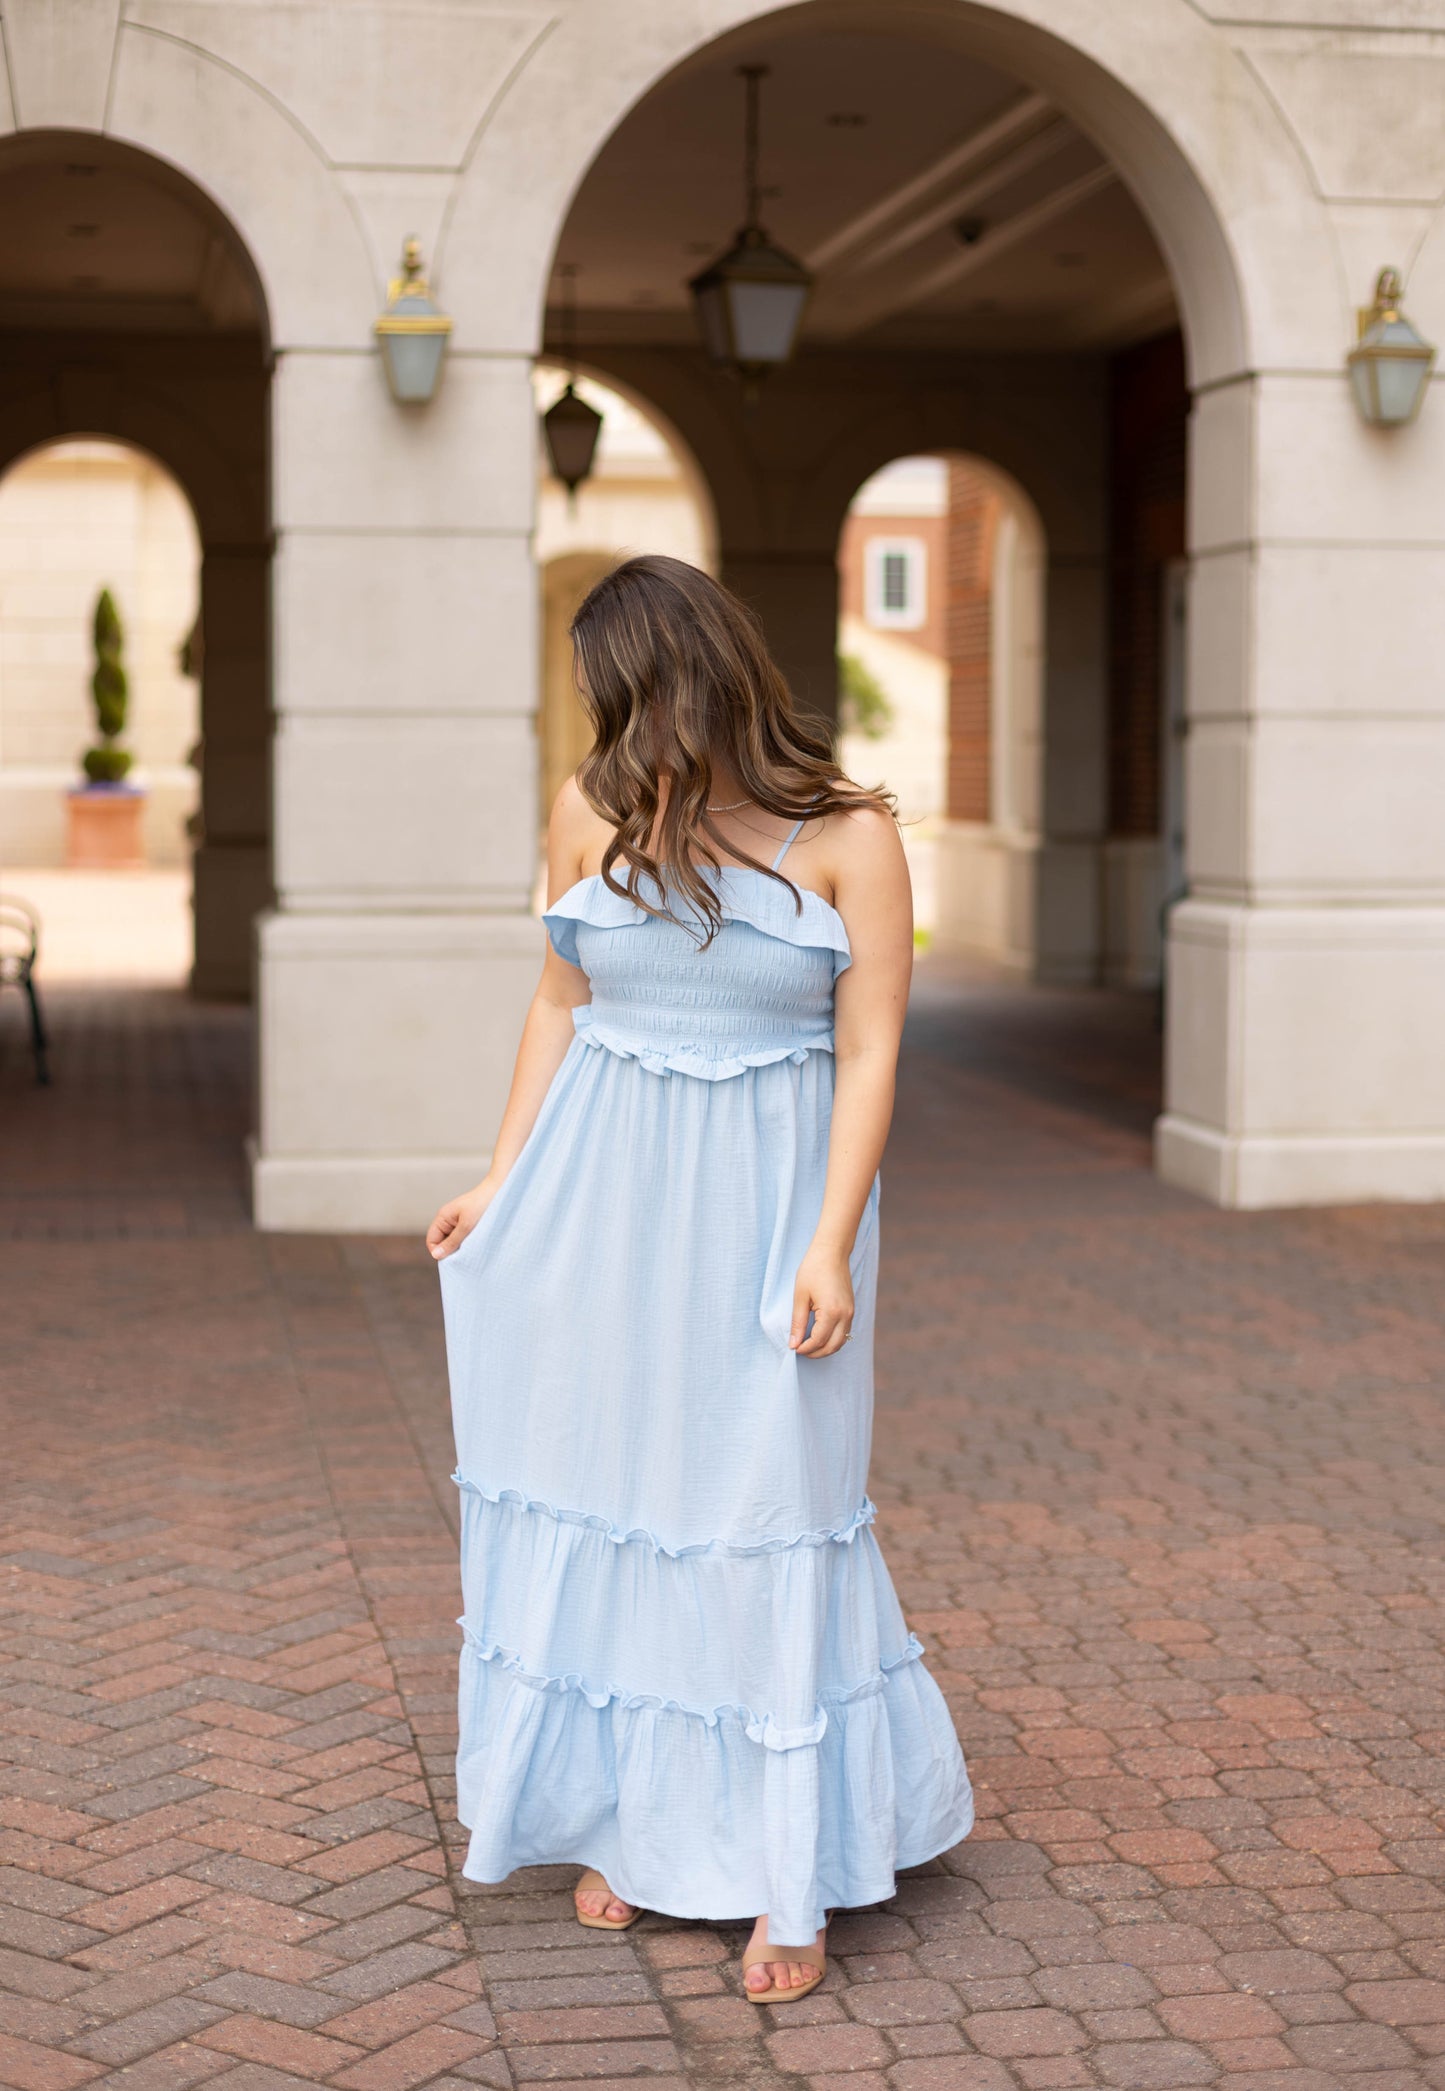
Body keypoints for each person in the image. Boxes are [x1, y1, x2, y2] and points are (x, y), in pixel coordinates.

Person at [428, 554, 971, 2002]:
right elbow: (562, 996)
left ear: (688, 684)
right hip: (602, 1201)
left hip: (767, 1206)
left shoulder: (845, 833)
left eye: (621, 699)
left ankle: (784, 1879)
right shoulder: (586, 810)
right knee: (625, 1501)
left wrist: (826, 1240)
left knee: (761, 1513)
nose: (609, 732)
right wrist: (501, 1176)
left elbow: (869, 1049)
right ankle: (636, 1824)